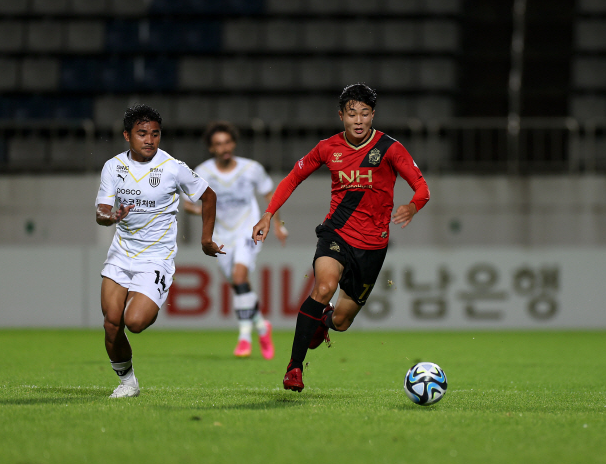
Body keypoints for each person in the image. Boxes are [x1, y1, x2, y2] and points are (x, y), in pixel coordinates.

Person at [252, 84, 430, 392]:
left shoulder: (390, 148)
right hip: (336, 234)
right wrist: (269, 213)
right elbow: (294, 177)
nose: (358, 120)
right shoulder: (327, 147)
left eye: (364, 114)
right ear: (341, 116)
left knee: (343, 321)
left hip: (373, 246)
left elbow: (423, 187)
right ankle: (294, 367)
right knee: (324, 286)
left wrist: (413, 206)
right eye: (352, 114)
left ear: (373, 115)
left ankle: (323, 323)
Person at [95, 104, 224, 398]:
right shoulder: (113, 167)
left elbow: (209, 196)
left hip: (156, 258)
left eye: (155, 134)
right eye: (142, 134)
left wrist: (206, 239)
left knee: (135, 322)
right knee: (111, 324)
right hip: (121, 253)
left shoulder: (172, 167)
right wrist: (111, 217)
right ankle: (127, 382)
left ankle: (156, 289)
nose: (150, 140)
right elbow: (101, 213)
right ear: (127, 135)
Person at [184, 121, 288, 359]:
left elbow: (269, 194)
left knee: (240, 277)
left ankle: (244, 339)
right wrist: (206, 212)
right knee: (238, 286)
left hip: (247, 230)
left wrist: (278, 224)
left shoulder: (251, 168)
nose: (224, 147)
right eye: (218, 144)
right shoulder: (202, 172)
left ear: (234, 143)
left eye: (228, 142)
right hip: (221, 235)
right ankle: (262, 326)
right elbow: (188, 204)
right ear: (212, 148)